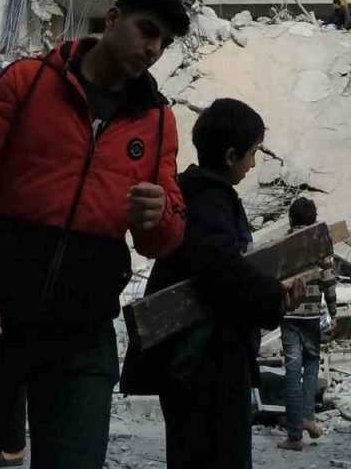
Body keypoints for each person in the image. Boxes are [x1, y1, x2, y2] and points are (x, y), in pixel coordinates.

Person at [0, 0, 189, 469]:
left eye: (164, 43)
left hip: (82, 337)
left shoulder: (156, 121)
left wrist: (159, 217)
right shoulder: (24, 83)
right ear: (112, 19)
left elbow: (163, 237)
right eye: (147, 30)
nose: (153, 49)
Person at [143, 98, 304, 469]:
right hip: (206, 363)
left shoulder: (195, 193)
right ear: (231, 156)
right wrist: (275, 297)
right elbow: (221, 270)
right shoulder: (210, 200)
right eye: (252, 154)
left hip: (195, 362)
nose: (253, 165)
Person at [278, 195, 336, 452]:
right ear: (313, 219)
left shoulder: (283, 244)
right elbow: (329, 279)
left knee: (292, 369)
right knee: (312, 363)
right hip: (312, 315)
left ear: (291, 219)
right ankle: (308, 417)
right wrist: (332, 311)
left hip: (289, 314)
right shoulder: (319, 242)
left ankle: (294, 437)